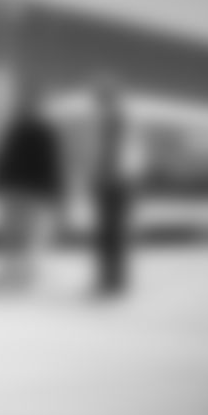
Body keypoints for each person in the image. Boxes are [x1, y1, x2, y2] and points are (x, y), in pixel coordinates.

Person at [0, 85, 65, 287]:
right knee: (25, 232)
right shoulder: (36, 130)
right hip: (28, 188)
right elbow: (51, 163)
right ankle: (22, 271)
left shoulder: (22, 129)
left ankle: (19, 270)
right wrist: (56, 191)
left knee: (20, 232)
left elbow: (5, 159)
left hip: (23, 188)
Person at [91, 78, 133, 298]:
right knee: (111, 233)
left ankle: (112, 280)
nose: (97, 100)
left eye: (101, 95)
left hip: (113, 182)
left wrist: (102, 176)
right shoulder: (114, 117)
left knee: (111, 233)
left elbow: (112, 153)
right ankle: (112, 279)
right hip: (115, 181)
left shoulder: (114, 118)